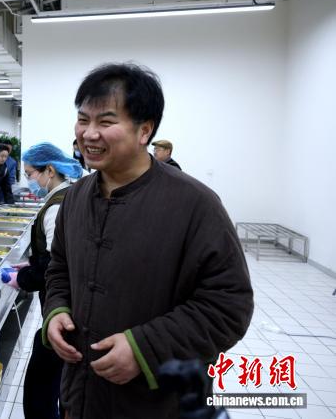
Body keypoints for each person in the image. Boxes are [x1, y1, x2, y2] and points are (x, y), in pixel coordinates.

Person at [43, 63, 253, 418]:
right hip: (80, 395)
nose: (89, 134)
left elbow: (229, 305)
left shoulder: (195, 205)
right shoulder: (75, 198)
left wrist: (145, 348)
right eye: (83, 120)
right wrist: (56, 310)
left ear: (145, 130)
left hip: (158, 404)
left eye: (106, 122)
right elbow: (59, 268)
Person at [3, 143, 83, 419]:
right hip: (71, 302)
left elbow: (54, 264)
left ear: (50, 170)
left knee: (40, 387)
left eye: (30, 174)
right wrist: (32, 265)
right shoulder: (69, 194)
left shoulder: (56, 207)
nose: (29, 181)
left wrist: (24, 278)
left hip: (65, 307)